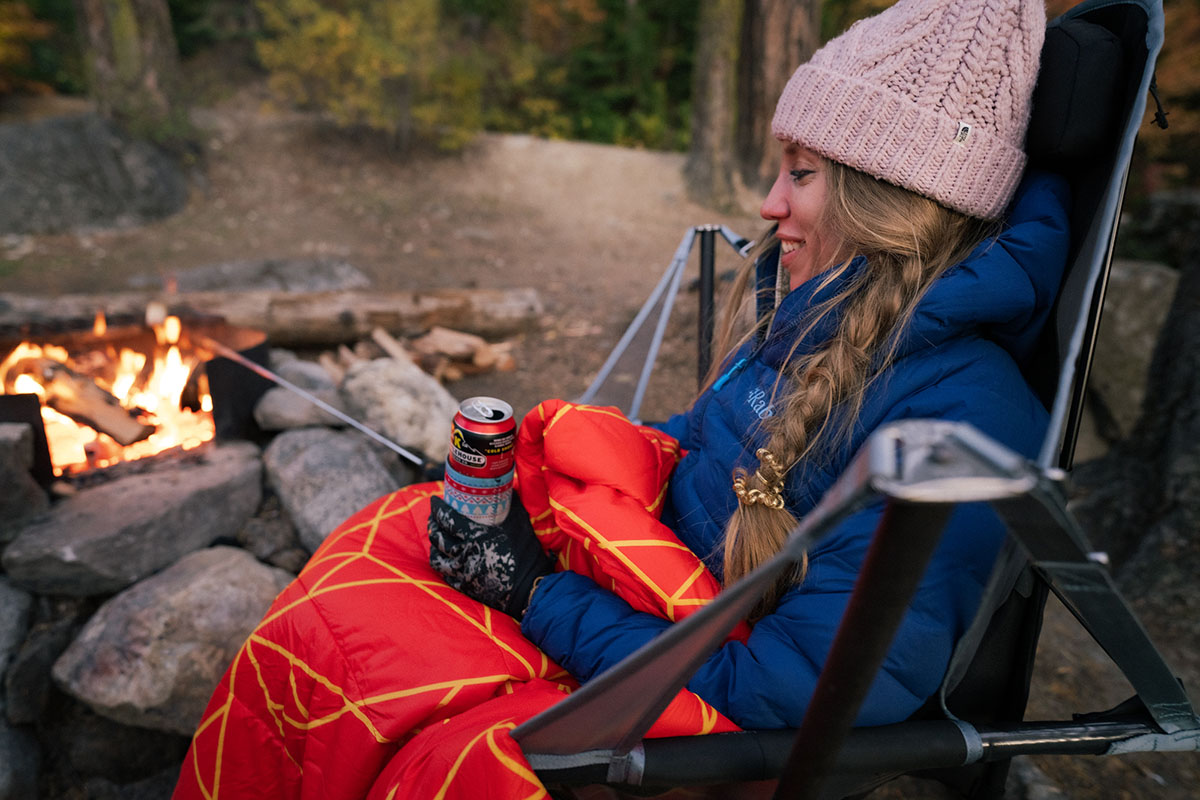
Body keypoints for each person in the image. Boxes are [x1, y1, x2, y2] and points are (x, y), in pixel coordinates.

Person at [173, 0, 1070, 797]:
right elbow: (707, 449)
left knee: (429, 741)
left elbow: (782, 691)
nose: (767, 203)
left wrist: (535, 592)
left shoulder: (960, 419)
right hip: (639, 612)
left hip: (696, 713)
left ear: (888, 199)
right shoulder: (816, 319)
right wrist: (559, 469)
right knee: (356, 582)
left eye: (800, 173)